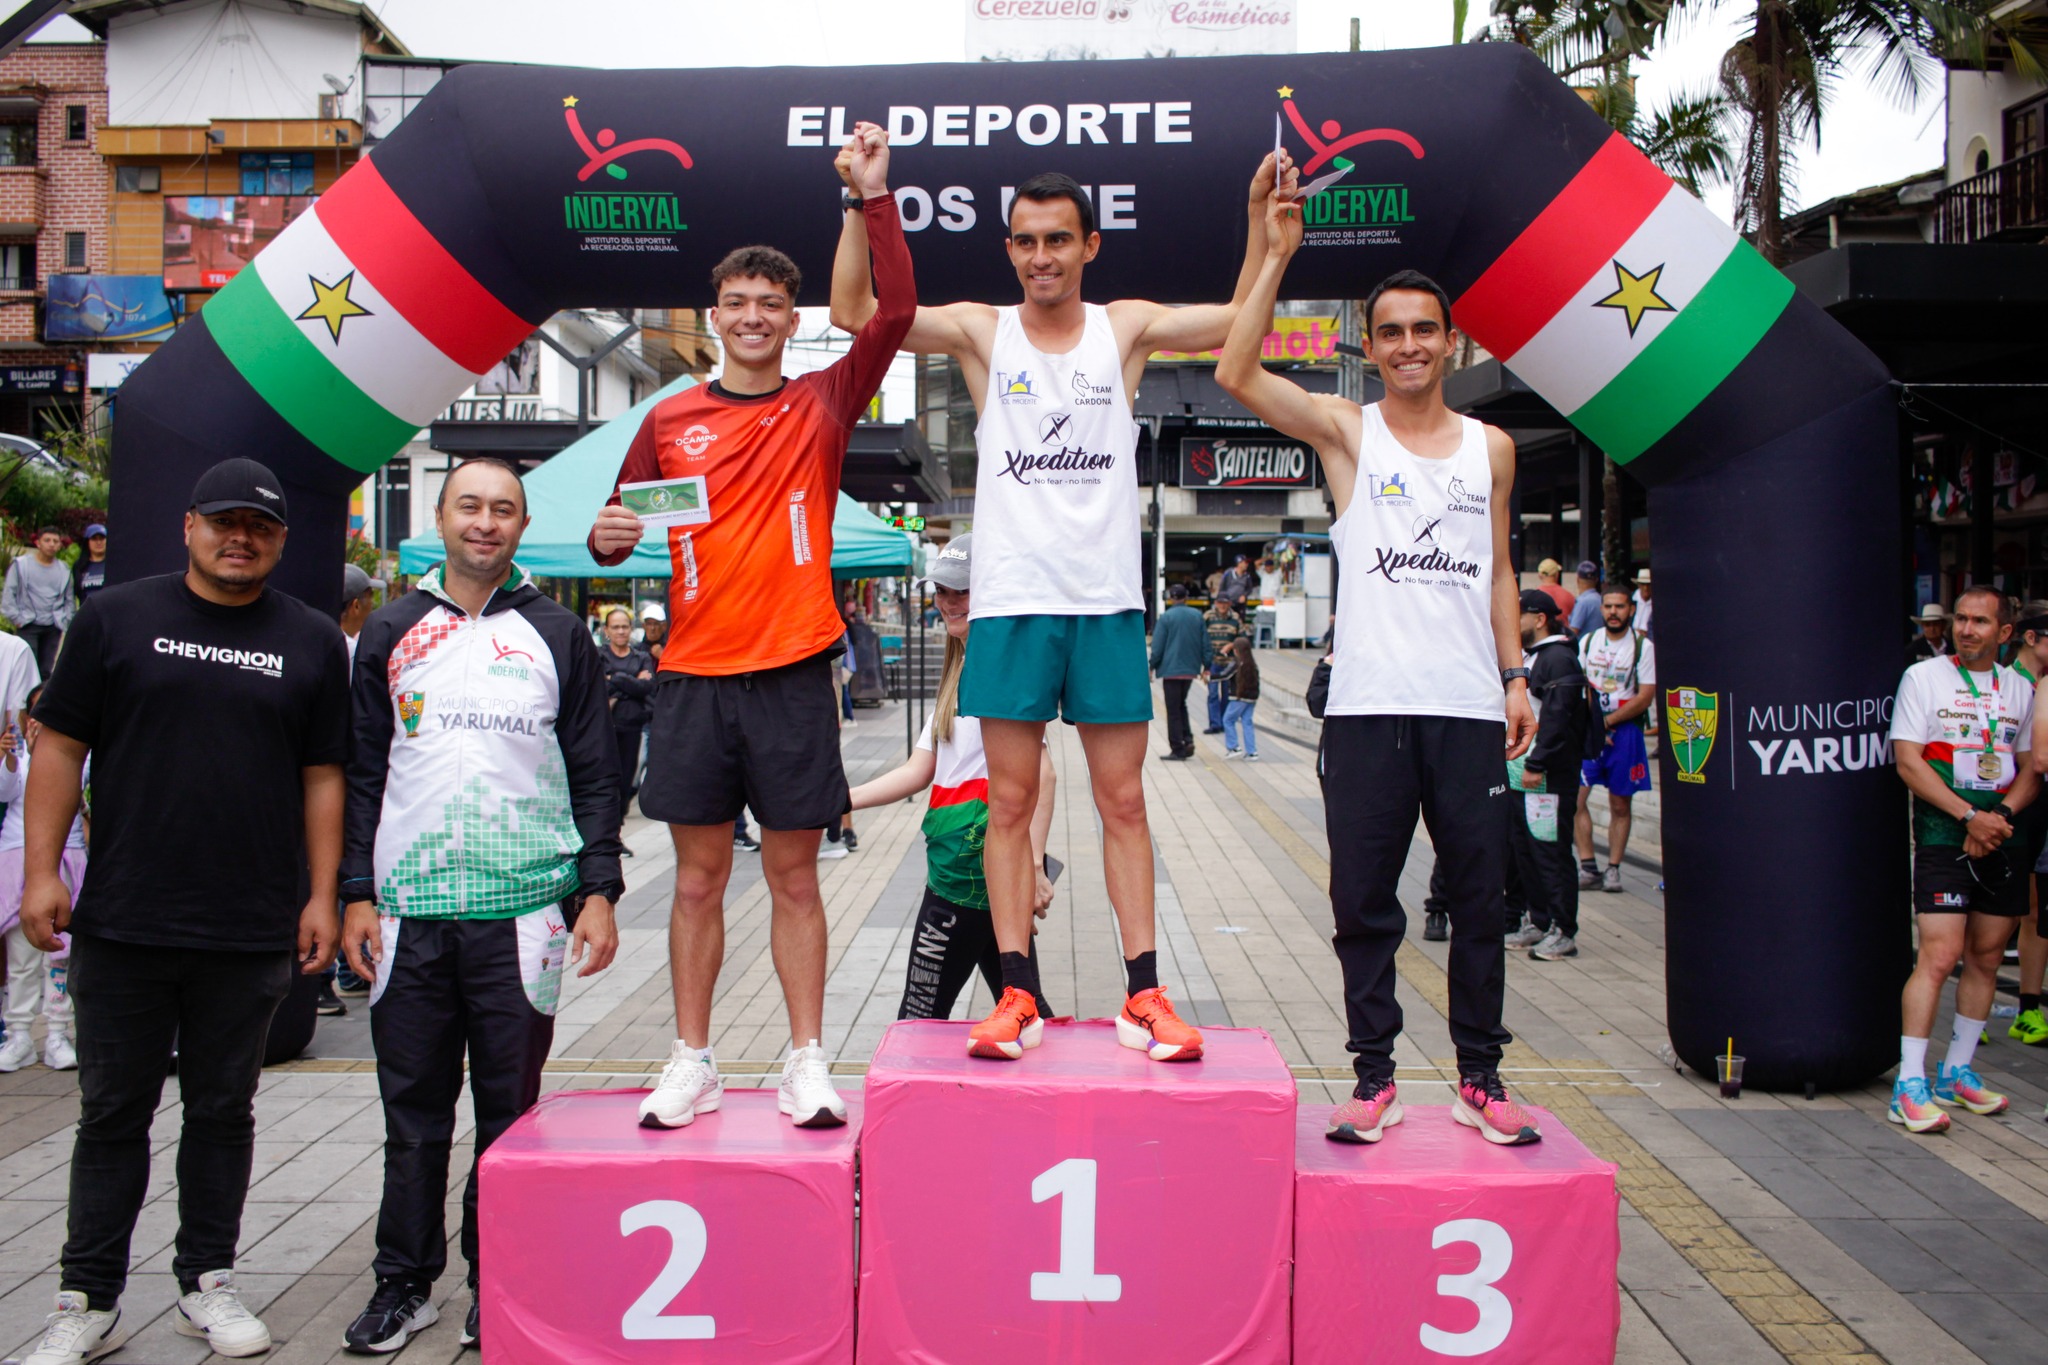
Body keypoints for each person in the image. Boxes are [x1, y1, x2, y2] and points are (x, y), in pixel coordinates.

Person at [830, 149, 1297, 1065]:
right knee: (1007, 803)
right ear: (1010, 249)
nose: (1041, 256)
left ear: (1089, 245)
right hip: (1012, 607)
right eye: (1026, 242)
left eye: (1057, 240)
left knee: (1123, 800)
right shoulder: (982, 331)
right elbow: (853, 313)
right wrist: (860, 199)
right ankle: (1017, 994)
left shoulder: (1124, 329)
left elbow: (1244, 315)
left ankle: (1145, 995)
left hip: (1105, 604)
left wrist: (1262, 228)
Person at [587, 122, 912, 1130]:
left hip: (791, 671)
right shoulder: (666, 418)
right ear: (715, 317)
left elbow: (896, 311)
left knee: (794, 875)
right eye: (738, 302)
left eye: (772, 303)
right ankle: (693, 1059)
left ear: (790, 317)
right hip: (691, 675)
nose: (755, 316)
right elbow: (614, 529)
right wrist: (606, 537)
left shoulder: (823, 402)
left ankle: (805, 1059)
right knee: (695, 879)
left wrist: (871, 197)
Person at [1217, 186, 1539, 1147]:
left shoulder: (1492, 450)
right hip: (1366, 712)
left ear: (1451, 341)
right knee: (1362, 903)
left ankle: (1480, 1077)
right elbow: (1236, 370)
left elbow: (1500, 570)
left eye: (1423, 330)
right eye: (1390, 332)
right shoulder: (1348, 433)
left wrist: (1516, 676)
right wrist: (1276, 253)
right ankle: (1374, 1077)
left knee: (1479, 900)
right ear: (1371, 344)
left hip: (1468, 709)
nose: (1408, 346)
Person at [18, 457, 349, 1363]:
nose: (240, 538)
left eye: (260, 526)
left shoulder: (311, 638)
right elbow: (59, 747)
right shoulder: (115, 617)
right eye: (225, 521)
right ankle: (87, 1297)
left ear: (282, 540)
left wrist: (321, 894)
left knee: (223, 1111)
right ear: (190, 526)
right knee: (111, 1114)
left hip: (248, 923)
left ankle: (207, 1281)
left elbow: (324, 774)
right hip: (123, 916)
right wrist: (42, 872)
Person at [339, 457, 621, 1355]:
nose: (486, 522)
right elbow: (362, 772)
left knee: (508, 1114)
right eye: (470, 505)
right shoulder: (392, 627)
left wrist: (599, 889)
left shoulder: (558, 633)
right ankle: (402, 1282)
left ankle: (495, 1278)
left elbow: (595, 771)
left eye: (503, 509)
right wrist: (354, 892)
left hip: (524, 914)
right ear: (441, 516)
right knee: (412, 1116)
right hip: (408, 913)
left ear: (521, 525)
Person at [847, 535, 1059, 1024]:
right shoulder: (963, 665)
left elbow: (1044, 772)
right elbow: (918, 770)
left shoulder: (995, 666)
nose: (948, 601)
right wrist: (839, 799)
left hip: (970, 864)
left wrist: (1033, 866)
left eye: (962, 590)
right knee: (1025, 1007)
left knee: (919, 1016)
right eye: (942, 590)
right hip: (961, 860)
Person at [1890, 584, 2038, 1134]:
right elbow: (1908, 762)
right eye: (1961, 619)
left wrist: (1997, 816)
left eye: (1980, 622)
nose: (1966, 629)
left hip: (2002, 835)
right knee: (1939, 954)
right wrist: (1967, 817)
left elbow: (2030, 767)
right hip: (1942, 832)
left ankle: (1956, 1073)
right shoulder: (1923, 678)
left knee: (1986, 956)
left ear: (2004, 632)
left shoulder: (2020, 688)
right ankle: (1909, 1084)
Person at [1506, 591, 1590, 962]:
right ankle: (1538, 921)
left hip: (1546, 779)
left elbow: (1558, 719)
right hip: (1520, 777)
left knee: (1551, 854)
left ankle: (1563, 930)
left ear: (1540, 619)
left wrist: (1537, 763)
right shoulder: (1532, 657)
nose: (1512, 622)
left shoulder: (1558, 658)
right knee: (1526, 854)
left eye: (1519, 614)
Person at [0, 684, 78, 1072]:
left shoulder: (82, 753)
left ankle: (58, 1033)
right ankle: (19, 1035)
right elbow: (5, 791)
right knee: (21, 956)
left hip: (71, 860)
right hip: (17, 858)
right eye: (36, 711)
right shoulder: (16, 756)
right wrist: (14, 758)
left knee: (61, 955)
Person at [327, 563, 386, 1011]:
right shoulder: (346, 649)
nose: (371, 606)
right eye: (368, 598)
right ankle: (349, 967)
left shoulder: (334, 644)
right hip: (347, 778)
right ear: (353, 605)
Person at [1574, 585, 1655, 894]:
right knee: (1575, 799)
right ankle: (1588, 865)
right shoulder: (1589, 641)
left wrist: (1606, 723)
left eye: (1619, 606)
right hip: (1590, 731)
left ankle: (1614, 868)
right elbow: (1579, 685)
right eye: (1608, 606)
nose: (1613, 612)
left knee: (1620, 804)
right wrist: (1592, 725)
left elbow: (1645, 697)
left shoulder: (1642, 646)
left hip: (1625, 732)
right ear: (1601, 609)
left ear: (1630, 609)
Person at [2008, 603, 2048, 1046]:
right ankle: (1969, 1009)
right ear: (2031, 637)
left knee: (2036, 910)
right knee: (2000, 913)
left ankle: (2028, 1008)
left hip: (2040, 806)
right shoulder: (2006, 683)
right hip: (2007, 807)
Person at [598, 606, 656, 833]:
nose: (620, 631)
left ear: (631, 629)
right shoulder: (599, 655)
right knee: (605, 781)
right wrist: (631, 680)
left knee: (627, 781)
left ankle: (618, 832)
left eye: (624, 626)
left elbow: (647, 687)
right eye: (615, 627)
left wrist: (615, 678)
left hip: (632, 727)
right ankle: (608, 831)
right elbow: (598, 687)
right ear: (606, 630)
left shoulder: (641, 657)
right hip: (605, 729)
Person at [3, 526, 74, 677]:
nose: (51, 544)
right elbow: (9, 594)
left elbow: (69, 599)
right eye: (47, 540)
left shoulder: (64, 570)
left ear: (60, 545)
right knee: (25, 668)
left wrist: (65, 620)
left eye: (55, 541)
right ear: (38, 543)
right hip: (27, 624)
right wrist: (17, 619)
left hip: (53, 627)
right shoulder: (21, 565)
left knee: (46, 671)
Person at [1151, 584, 1205, 762]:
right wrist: (1207, 665)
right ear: (1186, 597)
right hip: (1190, 669)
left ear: (1171, 598)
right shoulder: (1197, 615)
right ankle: (1187, 740)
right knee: (1182, 704)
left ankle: (1178, 747)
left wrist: (1151, 666)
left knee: (1173, 709)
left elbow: (1158, 646)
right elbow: (1205, 642)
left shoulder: (1166, 617)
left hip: (1171, 670)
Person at [1203, 597, 1243, 735]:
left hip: (1229, 663)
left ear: (1230, 604)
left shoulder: (1235, 618)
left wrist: (1231, 645)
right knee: (1213, 693)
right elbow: (1201, 636)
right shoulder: (1208, 616)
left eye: (1225, 603)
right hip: (1212, 662)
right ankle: (1215, 724)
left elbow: (1243, 638)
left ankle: (1224, 722)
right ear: (1215, 603)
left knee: (1227, 694)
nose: (1222, 606)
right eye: (1220, 603)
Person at [1222, 635, 1261, 761]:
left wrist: (1209, 677)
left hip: (1239, 697)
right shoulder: (1252, 664)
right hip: (1251, 698)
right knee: (1247, 722)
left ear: (1236, 650)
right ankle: (1252, 752)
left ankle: (1233, 747)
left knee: (1228, 720)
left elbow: (1225, 675)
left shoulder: (1237, 664)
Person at [70, 525, 107, 604]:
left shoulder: (114, 564)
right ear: (87, 542)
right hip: (87, 608)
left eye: (102, 538)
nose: (98, 542)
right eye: (94, 539)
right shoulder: (78, 566)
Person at [1568, 560, 1602, 638]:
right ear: (1596, 580)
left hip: (1584, 644)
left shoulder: (1582, 602)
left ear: (1577, 579)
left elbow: (1573, 632)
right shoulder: (1601, 599)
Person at [1630, 567, 1654, 638]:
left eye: (1648, 584)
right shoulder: (1630, 600)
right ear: (1638, 585)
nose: (1645, 588)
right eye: (1643, 584)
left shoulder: (1657, 603)